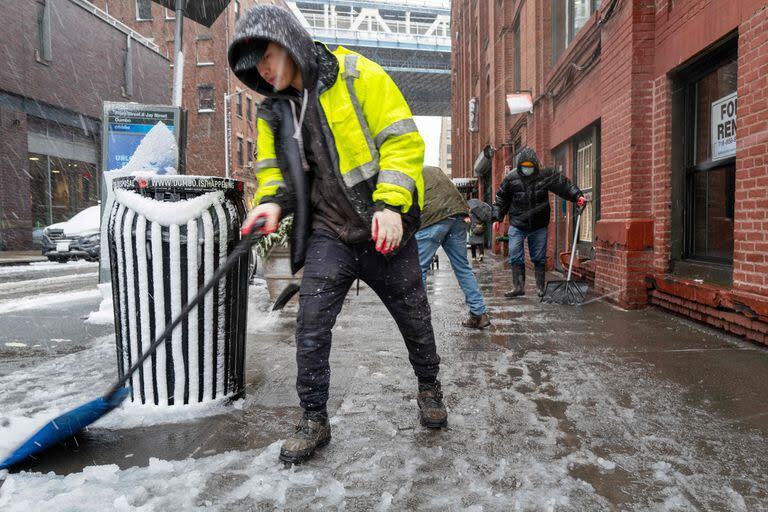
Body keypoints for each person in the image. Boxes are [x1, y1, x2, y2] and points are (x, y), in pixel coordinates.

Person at [228, 5, 447, 465]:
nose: (263, 70)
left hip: (380, 227)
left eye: (266, 56)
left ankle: (429, 387)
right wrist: (269, 202)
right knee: (311, 326)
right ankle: (314, 419)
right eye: (256, 67)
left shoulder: (356, 74)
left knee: (415, 321)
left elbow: (402, 141)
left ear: (288, 41)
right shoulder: (276, 112)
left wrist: (390, 204)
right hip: (330, 233)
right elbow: (274, 175)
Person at [492, 147, 585, 298]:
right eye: (524, 167)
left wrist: (577, 196)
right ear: (519, 165)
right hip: (517, 223)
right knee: (515, 254)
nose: (527, 169)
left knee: (539, 257)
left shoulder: (545, 175)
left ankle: (540, 288)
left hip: (539, 224)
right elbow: (501, 198)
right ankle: (518, 287)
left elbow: (563, 185)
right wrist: (497, 217)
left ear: (535, 165)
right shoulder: (511, 177)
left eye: (530, 167)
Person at [415, 166, 491, 329]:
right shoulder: (434, 170)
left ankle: (419, 318)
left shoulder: (404, 174)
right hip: (458, 214)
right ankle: (479, 314)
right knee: (462, 267)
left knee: (418, 269)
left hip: (433, 218)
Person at [467, 197, 491, 262]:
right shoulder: (482, 215)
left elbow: (469, 223)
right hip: (480, 229)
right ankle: (481, 254)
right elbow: (485, 222)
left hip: (473, 230)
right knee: (480, 243)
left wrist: (468, 229)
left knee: (473, 244)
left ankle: (474, 256)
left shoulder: (471, 215)